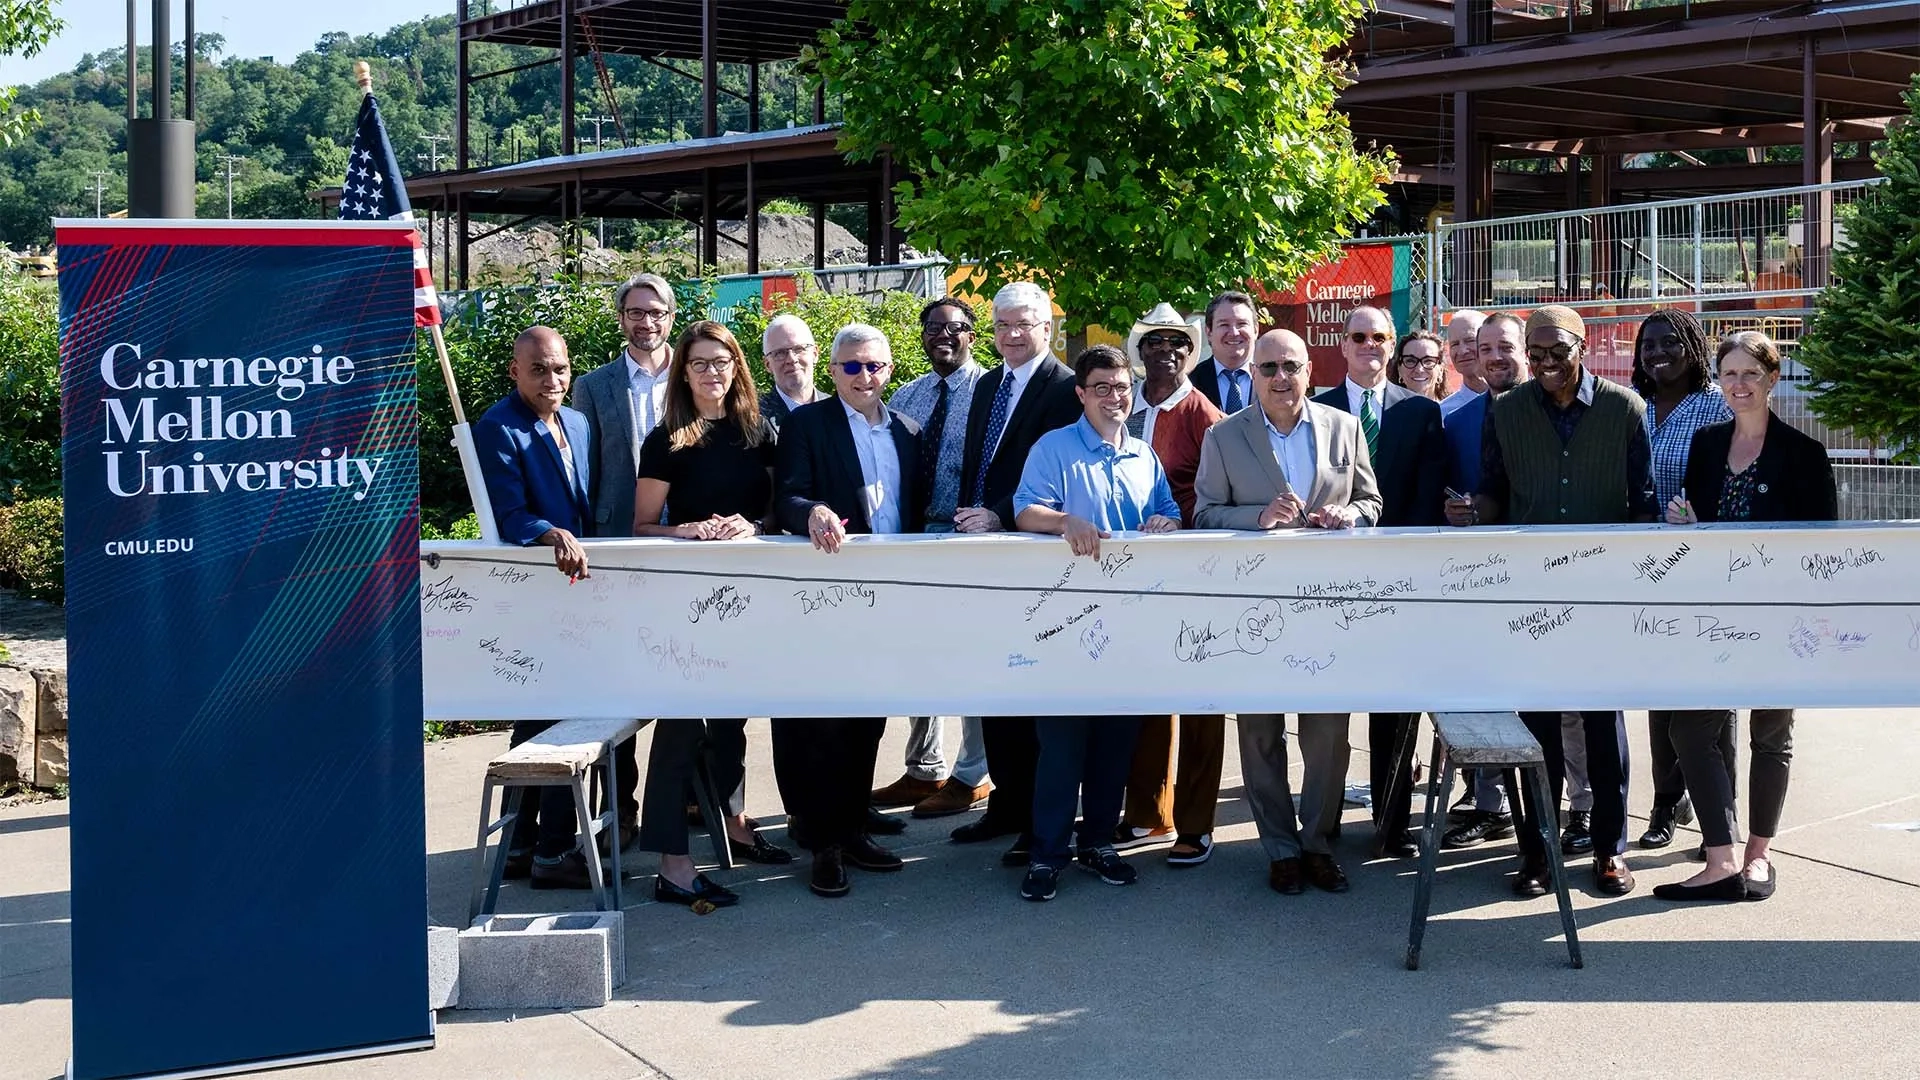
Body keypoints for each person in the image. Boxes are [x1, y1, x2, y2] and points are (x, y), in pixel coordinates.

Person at [1464, 305, 1656, 899]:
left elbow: (1644, 501)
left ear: (1583, 346)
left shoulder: (1625, 409)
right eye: (1537, 354)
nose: (1547, 364)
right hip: (1533, 599)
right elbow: (1494, 493)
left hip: (1602, 598)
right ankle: (1537, 853)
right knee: (1536, 731)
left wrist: (1636, 582)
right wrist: (1471, 510)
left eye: (1558, 352)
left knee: (1603, 729)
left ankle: (1609, 850)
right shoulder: (1506, 411)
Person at [1193, 329, 1382, 895]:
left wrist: (1351, 515)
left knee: (1328, 735)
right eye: (1269, 367)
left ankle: (1318, 843)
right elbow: (1204, 514)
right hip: (1253, 611)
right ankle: (1279, 849)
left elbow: (1372, 501)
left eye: (1290, 366)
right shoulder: (1224, 436)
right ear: (1253, 374)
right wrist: (1258, 517)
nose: (1280, 377)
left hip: (1328, 610)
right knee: (1259, 734)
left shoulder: (1344, 427)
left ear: (1309, 371)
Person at [1656, 331, 1835, 902]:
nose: (1739, 384)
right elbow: (1699, 523)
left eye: (1750, 374)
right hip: (1715, 613)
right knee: (1690, 728)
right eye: (1729, 374)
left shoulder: (1804, 454)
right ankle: (1720, 857)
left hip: (1780, 616)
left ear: (1772, 379)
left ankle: (1758, 856)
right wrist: (1686, 523)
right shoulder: (1707, 444)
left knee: (1771, 734)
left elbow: (1822, 548)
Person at [629, 321, 797, 910]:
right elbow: (641, 525)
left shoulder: (760, 431)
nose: (711, 372)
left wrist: (754, 525)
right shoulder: (665, 439)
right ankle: (673, 865)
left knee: (731, 721)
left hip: (750, 595)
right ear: (683, 372)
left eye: (721, 361)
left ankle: (734, 823)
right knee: (683, 726)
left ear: (737, 368)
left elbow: (777, 513)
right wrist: (685, 530)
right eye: (699, 363)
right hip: (689, 601)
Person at [1010, 344, 1180, 901]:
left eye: (1122, 388)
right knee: (1062, 747)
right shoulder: (1054, 447)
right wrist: (1066, 521)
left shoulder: (1143, 455)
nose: (1114, 397)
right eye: (1102, 388)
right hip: (1064, 623)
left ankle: (1099, 842)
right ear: (1081, 394)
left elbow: (1169, 512)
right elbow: (1024, 509)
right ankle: (1047, 853)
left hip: (1128, 625)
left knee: (1114, 744)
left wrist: (1166, 522)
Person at [773, 323, 924, 898]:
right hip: (825, 596)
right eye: (852, 366)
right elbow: (786, 496)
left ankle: (854, 828)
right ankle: (824, 845)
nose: (864, 376)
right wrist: (811, 510)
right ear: (833, 371)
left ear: (889, 369)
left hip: (889, 597)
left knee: (868, 718)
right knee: (822, 724)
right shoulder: (806, 424)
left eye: (874, 365)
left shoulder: (908, 430)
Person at [950, 282, 1082, 866]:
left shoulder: (1063, 388)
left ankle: (1038, 820)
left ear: (1047, 328)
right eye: (1001, 324)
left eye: (1022, 324)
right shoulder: (987, 384)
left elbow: (1052, 476)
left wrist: (998, 514)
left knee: (1033, 693)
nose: (1010, 334)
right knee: (995, 685)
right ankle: (1005, 804)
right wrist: (968, 514)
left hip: (1033, 554)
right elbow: (979, 463)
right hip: (983, 550)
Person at [1314, 306, 1445, 860]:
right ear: (1343, 345)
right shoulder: (1316, 409)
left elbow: (1427, 498)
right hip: (1328, 583)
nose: (1369, 345)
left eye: (1380, 337)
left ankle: (1392, 825)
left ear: (1392, 346)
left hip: (1399, 580)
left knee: (1395, 709)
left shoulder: (1421, 412)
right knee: (1328, 708)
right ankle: (1320, 822)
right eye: (1359, 337)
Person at [471, 326, 595, 890]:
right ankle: (552, 851)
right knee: (562, 717)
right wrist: (552, 533)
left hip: (581, 590)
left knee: (540, 719)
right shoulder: (498, 427)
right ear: (515, 372)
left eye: (560, 368)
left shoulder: (579, 423)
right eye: (539, 369)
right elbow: (507, 514)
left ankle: (520, 846)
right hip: (534, 589)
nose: (552, 379)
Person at [1113, 303, 1229, 864]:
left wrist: (1181, 524)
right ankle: (1146, 811)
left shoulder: (1206, 417)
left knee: (1201, 699)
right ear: (1140, 351)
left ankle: (1196, 823)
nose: (1166, 351)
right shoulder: (1123, 408)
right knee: (1145, 693)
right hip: (1132, 574)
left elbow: (1217, 496)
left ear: (1191, 352)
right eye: (1155, 343)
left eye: (1177, 343)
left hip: (1193, 572)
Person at [873, 296, 994, 818]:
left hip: (970, 539)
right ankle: (924, 768)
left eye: (956, 327)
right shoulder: (907, 395)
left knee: (971, 658)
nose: (944, 335)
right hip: (915, 538)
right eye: (934, 327)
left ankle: (972, 774)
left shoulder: (991, 390)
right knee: (918, 654)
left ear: (972, 335)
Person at [568, 271, 678, 839]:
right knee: (619, 680)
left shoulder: (695, 374)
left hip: (687, 543)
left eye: (656, 312)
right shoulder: (592, 387)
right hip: (617, 543)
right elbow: (583, 469)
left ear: (671, 317)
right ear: (621, 319)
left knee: (693, 673)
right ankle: (620, 810)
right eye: (636, 312)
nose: (646, 322)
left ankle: (693, 803)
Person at [1631, 307, 1734, 851]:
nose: (1657, 353)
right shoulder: (1633, 405)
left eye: (1670, 342)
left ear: (1693, 347)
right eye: (1648, 344)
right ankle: (1666, 801)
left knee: (1713, 699)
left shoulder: (1716, 406)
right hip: (1648, 572)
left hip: (1705, 570)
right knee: (1662, 694)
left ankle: (1722, 813)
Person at [1439, 313, 1528, 850]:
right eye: (1478, 345)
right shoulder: (1456, 420)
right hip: (1479, 576)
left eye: (1500, 345)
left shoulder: (1553, 409)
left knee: (1561, 706)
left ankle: (1579, 808)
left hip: (1545, 573)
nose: (1487, 355)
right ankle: (1491, 804)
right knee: (1484, 692)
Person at [1188, 291, 1259, 413]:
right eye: (1224, 324)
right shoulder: (1190, 383)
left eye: (1242, 324)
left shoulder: (1273, 375)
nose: (1234, 333)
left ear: (1256, 330)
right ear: (1209, 332)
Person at [758, 313, 824, 433]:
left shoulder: (840, 411)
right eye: (780, 353)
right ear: (767, 364)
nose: (791, 359)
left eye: (799, 349)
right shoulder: (753, 418)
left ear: (815, 354)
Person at [1438, 309, 1487, 419]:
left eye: (1470, 340)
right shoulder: (1442, 414)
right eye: (1455, 344)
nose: (1462, 351)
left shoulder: (1516, 402)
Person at [1389, 329, 1451, 402]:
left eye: (1428, 361)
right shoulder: (1383, 408)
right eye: (1411, 361)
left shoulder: (1455, 408)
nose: (1419, 369)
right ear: (1399, 369)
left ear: (1440, 370)